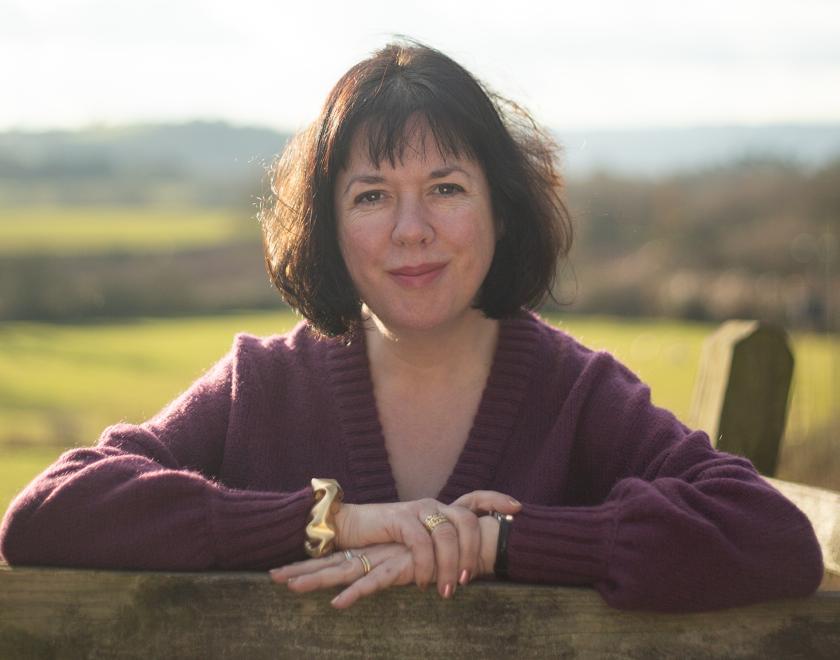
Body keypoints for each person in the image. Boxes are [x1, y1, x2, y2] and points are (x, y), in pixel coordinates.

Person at [0, 42, 823, 612]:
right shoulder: (261, 385)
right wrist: (329, 521)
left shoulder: (578, 393)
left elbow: (769, 539)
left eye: (446, 187)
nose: (410, 229)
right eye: (370, 196)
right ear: (327, 225)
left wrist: (495, 544)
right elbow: (49, 514)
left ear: (500, 207)